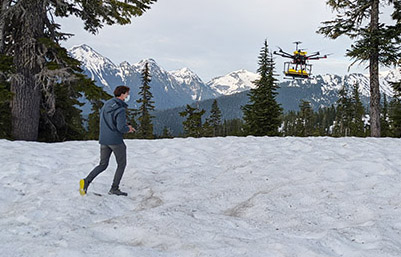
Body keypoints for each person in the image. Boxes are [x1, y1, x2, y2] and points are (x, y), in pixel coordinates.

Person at [80, 85, 135, 196]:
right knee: (121, 164)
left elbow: (109, 121)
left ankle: (86, 181)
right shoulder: (120, 109)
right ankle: (114, 188)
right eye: (127, 93)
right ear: (122, 94)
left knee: (103, 164)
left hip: (104, 139)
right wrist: (128, 128)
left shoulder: (107, 105)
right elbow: (120, 128)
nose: (128, 96)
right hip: (115, 140)